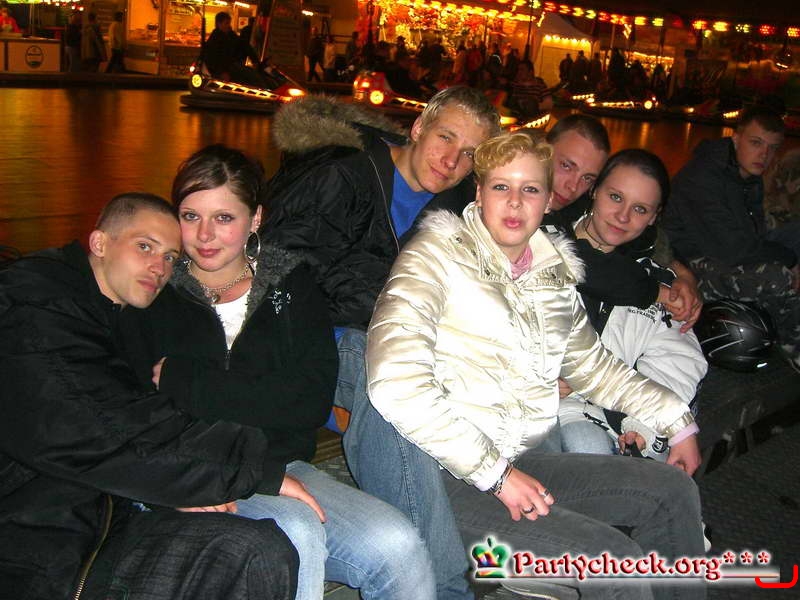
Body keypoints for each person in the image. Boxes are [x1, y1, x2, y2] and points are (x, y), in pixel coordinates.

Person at [366, 132, 705, 600]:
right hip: (445, 474)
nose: (514, 202)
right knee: (613, 562)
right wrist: (496, 475)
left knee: (671, 492)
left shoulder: (551, 272)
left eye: (529, 189)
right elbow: (395, 383)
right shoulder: (434, 258)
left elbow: (593, 367)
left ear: (548, 202)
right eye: (500, 187)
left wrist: (677, 421)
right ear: (479, 192)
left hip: (517, 459)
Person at [119, 145, 435, 600]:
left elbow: (309, 401)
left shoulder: (291, 284)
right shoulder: (154, 289)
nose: (205, 235)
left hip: (282, 465)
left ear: (256, 219)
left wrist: (189, 382)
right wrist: (259, 400)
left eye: (224, 218)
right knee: (295, 532)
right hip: (189, 470)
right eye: (191, 217)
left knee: (397, 544)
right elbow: (136, 410)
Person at [262, 86, 501, 600]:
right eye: (445, 138)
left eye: (468, 155)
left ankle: (475, 533)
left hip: (392, 342)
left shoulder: (456, 205)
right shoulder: (342, 177)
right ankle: (447, 585)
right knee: (393, 379)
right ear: (418, 127)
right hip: (318, 342)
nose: (451, 161)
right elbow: (272, 273)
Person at [0, 193, 299, 599]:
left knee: (254, 551)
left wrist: (172, 487)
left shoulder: (112, 314)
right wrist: (252, 468)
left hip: (102, 521)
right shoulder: (36, 305)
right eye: (145, 247)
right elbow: (98, 427)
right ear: (100, 243)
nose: (159, 267)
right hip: (32, 546)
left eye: (171, 257)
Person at [557, 149, 708, 458]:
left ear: (654, 217)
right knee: (588, 448)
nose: (623, 216)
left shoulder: (656, 276)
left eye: (639, 209)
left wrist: (643, 425)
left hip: (626, 406)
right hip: (553, 408)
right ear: (594, 191)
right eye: (615, 197)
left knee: (654, 458)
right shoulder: (543, 241)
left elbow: (677, 358)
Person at [663, 106, 800, 371]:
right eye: (756, 143)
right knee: (777, 275)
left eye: (772, 148)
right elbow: (733, 250)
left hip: (729, 247)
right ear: (736, 139)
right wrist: (789, 260)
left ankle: (778, 314)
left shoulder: (748, 176)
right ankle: (792, 348)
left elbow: (753, 234)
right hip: (690, 260)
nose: (764, 155)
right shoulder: (703, 176)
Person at [543, 114, 703, 332]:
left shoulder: (577, 204)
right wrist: (662, 293)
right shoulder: (518, 203)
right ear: (542, 149)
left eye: (588, 177)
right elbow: (581, 265)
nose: (573, 186)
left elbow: (652, 238)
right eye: (566, 165)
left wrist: (683, 276)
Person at [203, 12, 262, 86]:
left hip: (231, 67)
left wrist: (254, 59)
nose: (229, 26)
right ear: (219, 24)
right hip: (225, 71)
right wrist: (221, 72)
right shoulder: (214, 40)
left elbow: (244, 44)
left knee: (252, 75)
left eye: (229, 23)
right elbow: (212, 59)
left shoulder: (230, 35)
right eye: (226, 23)